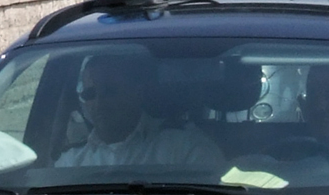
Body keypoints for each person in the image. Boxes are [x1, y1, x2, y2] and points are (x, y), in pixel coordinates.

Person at [56, 54, 224, 168]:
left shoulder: (184, 148)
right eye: (90, 94)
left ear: (137, 92)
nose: (99, 102)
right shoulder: (71, 161)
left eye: (110, 91)